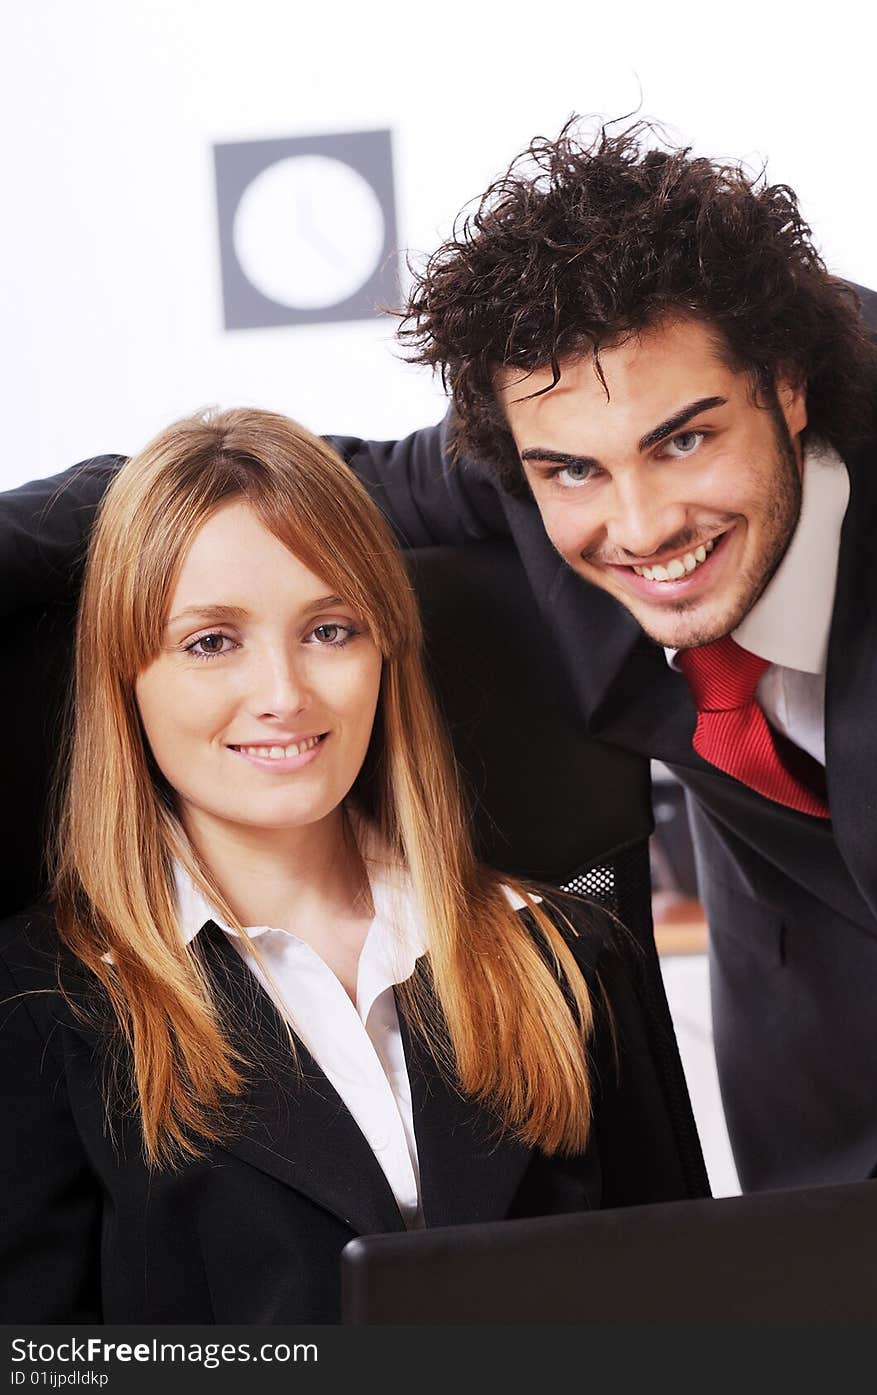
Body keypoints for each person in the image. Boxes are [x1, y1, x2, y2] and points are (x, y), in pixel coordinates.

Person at [3, 119, 877, 1195]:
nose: (642, 525)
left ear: (786, 388)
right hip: (820, 1097)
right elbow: (262, 488)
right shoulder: (521, 476)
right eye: (570, 471)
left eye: (684, 440)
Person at [0, 407, 706, 1324]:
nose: (285, 694)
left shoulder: (566, 955)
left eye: (330, 629)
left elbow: (692, 1317)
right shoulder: (43, 1005)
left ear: (386, 650)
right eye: (211, 642)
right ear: (124, 679)